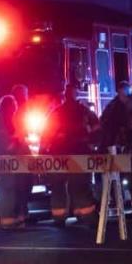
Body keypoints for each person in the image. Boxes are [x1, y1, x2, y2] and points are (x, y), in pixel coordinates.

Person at [41, 83, 101, 226]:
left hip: (59, 155)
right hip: (79, 155)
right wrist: (93, 146)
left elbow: (46, 135)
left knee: (58, 187)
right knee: (80, 185)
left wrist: (43, 153)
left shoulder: (56, 112)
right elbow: (98, 130)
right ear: (76, 94)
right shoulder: (85, 112)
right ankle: (86, 215)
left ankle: (59, 216)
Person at [0, 95, 25, 229]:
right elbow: (7, 143)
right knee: (8, 189)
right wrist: (17, 141)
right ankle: (7, 219)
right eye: (13, 106)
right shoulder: (5, 121)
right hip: (7, 160)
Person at [9, 84, 33, 223]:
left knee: (24, 183)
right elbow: (18, 132)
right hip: (19, 150)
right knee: (22, 183)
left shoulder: (22, 110)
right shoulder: (17, 111)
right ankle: (21, 212)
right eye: (24, 94)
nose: (26, 97)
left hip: (22, 148)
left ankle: (22, 211)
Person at [100, 80, 132, 153]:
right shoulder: (113, 106)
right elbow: (105, 121)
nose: (124, 98)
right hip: (117, 141)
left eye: (126, 95)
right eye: (121, 94)